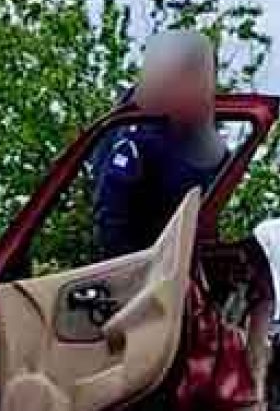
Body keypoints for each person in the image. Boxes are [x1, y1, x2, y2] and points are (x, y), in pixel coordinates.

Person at [92, 30, 228, 260]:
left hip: (182, 260)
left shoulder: (197, 133)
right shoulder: (136, 130)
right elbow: (111, 213)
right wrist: (134, 273)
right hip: (142, 262)